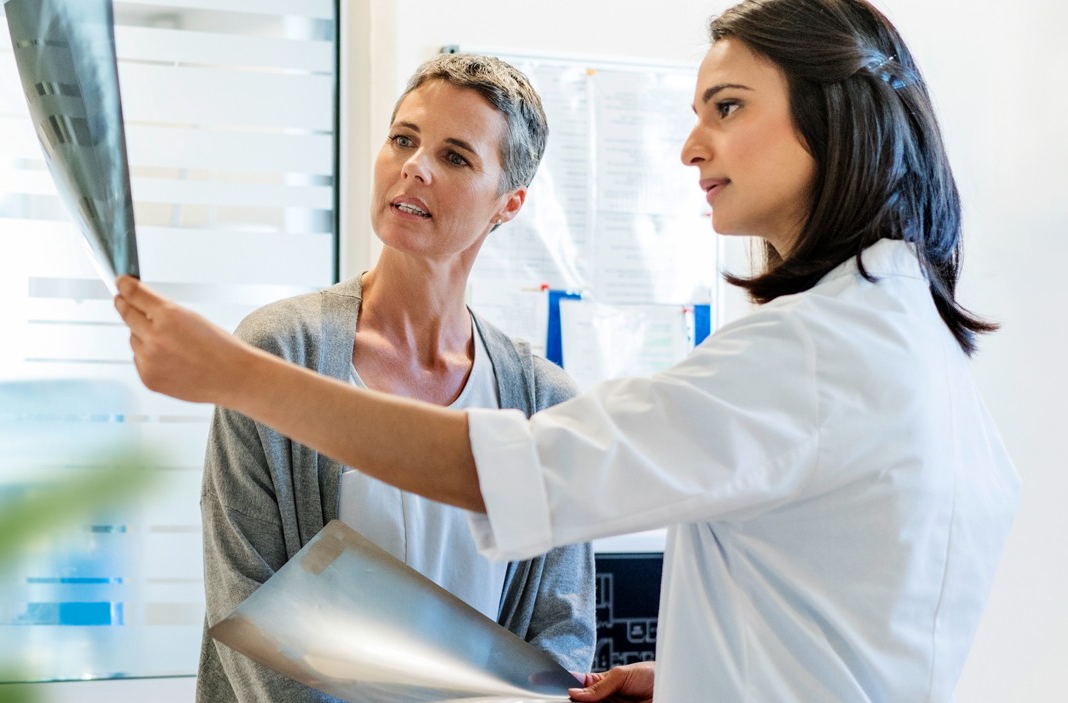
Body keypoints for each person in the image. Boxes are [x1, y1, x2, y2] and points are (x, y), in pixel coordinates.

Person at [115, 0, 1020, 700]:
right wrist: (691, 681)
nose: (688, 145)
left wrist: (234, 377)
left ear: (829, 120)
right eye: (400, 139)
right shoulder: (916, 344)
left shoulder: (809, 352)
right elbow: (844, 636)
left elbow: (510, 483)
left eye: (728, 106)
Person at [196, 54, 595, 703]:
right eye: (403, 139)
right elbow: (245, 606)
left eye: (455, 156)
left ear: (508, 203)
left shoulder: (542, 402)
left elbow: (562, 634)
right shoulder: (278, 355)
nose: (413, 165)